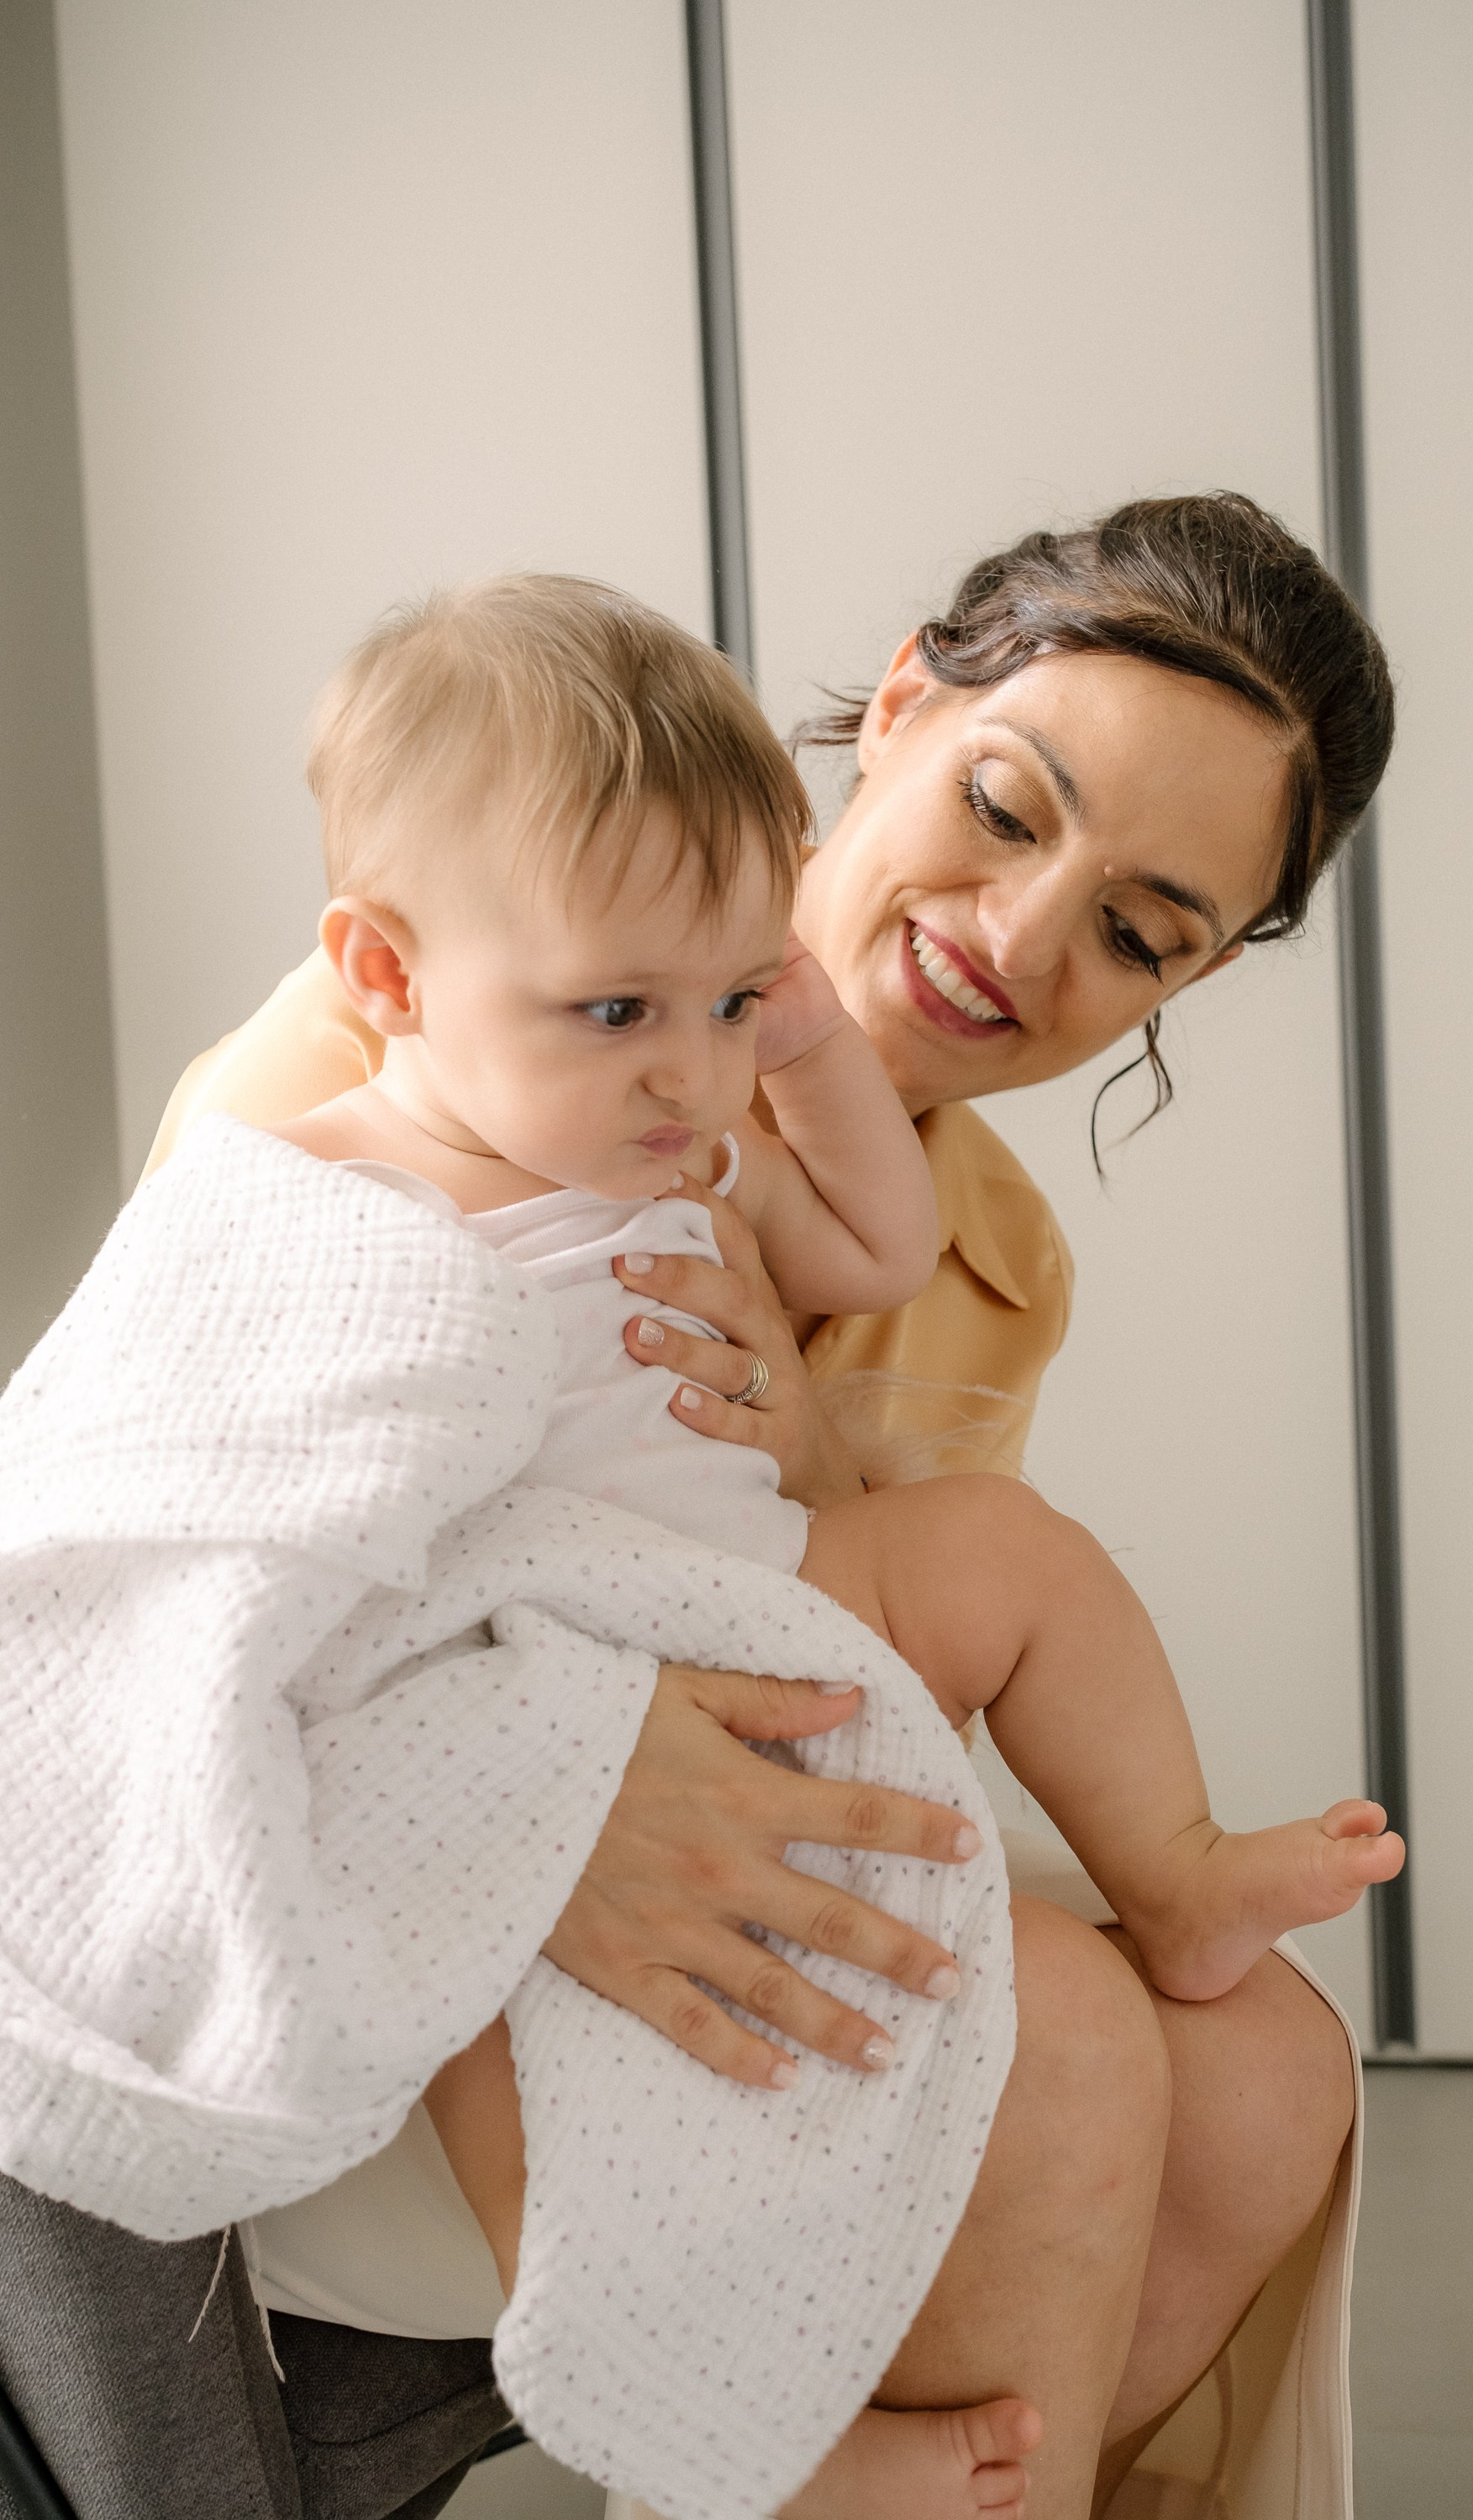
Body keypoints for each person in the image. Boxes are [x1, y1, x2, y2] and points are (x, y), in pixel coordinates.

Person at [145, 493, 1397, 2519]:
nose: (1018, 938)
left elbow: (849, 1655)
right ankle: (755, 2446)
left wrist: (797, 1445)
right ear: (901, 704)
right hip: (382, 1856)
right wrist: (552, 1793)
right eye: (1006, 807)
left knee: (1266, 2074)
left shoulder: (981, 1251)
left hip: (720, 1774)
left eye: (1139, 930)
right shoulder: (406, 1048)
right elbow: (189, 1581)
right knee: (1059, 2035)